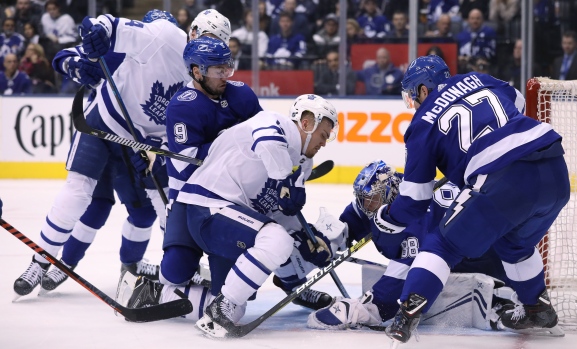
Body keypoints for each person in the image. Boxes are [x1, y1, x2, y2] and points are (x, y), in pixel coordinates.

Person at [27, 9, 233, 295]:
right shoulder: (161, 37)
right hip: (105, 126)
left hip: (139, 144)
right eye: (205, 36)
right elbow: (85, 43)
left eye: (216, 42)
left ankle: (148, 265)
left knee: (149, 210)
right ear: (192, 31)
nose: (207, 47)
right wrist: (80, 63)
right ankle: (48, 261)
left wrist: (155, 150)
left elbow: (180, 130)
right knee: (86, 200)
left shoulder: (206, 81)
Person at [374, 55, 569, 344]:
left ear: (423, 90)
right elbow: (518, 103)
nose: (414, 102)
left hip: (503, 176)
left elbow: (415, 200)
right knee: (513, 244)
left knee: (442, 244)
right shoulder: (479, 78)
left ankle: (407, 313)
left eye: (413, 95)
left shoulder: (421, 125)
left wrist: (387, 218)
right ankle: (537, 307)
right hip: (554, 168)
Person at [116, 94, 339, 334]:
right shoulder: (275, 123)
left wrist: (305, 238)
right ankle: (222, 308)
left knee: (238, 300)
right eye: (323, 135)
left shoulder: (302, 165)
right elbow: (267, 141)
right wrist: (286, 178)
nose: (324, 142)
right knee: (276, 241)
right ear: (306, 123)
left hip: (230, 220)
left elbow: (278, 210)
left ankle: (154, 293)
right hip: (206, 206)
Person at [307, 160, 511, 331]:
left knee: (424, 259)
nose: (368, 206)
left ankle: (502, 298)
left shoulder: (415, 214)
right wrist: (330, 240)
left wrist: (371, 307)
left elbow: (409, 267)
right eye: (365, 200)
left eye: (372, 201)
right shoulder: (390, 191)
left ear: (388, 193)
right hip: (473, 239)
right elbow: (357, 214)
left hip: (486, 254)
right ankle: (292, 277)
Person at [456, 9, 496, 74]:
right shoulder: (461, 35)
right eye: (472, 18)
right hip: (464, 65)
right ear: (468, 20)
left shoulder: (489, 33)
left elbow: (492, 52)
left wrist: (480, 59)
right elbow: (457, 53)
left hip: (482, 65)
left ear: (482, 20)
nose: (475, 21)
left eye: (478, 18)